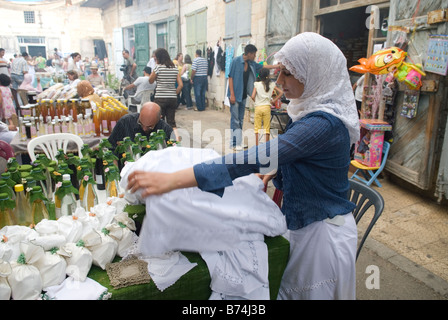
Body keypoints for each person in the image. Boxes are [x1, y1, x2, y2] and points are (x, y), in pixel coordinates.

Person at [126, 32, 360, 300]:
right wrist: (275, 172)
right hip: (305, 226)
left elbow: (256, 157)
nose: (279, 81)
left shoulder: (323, 124)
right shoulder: (308, 111)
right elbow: (299, 158)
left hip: (323, 238)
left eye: (287, 74)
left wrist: (173, 180)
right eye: (279, 72)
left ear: (314, 74)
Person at [227, 44, 277, 150]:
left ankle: (238, 143)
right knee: (235, 120)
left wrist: (277, 67)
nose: (254, 56)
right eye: (254, 54)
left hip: (243, 95)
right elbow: (230, 77)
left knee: (240, 119)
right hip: (235, 95)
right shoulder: (236, 61)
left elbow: (263, 66)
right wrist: (232, 94)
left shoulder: (251, 63)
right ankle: (233, 143)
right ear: (249, 53)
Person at [108, 101, 174, 152]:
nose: (144, 129)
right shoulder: (125, 122)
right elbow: (111, 146)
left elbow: (173, 154)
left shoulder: (166, 130)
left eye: (150, 127)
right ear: (139, 114)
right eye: (141, 124)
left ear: (159, 118)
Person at [149, 48, 182, 140]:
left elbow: (150, 80)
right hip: (172, 99)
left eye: (156, 58)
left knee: (159, 121)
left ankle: (162, 142)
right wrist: (174, 93)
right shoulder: (175, 68)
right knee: (172, 123)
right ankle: (177, 142)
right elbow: (180, 85)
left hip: (160, 98)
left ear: (159, 58)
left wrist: (155, 70)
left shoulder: (158, 67)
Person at [250, 68, 283, 146]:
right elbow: (281, 92)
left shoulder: (257, 84)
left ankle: (257, 146)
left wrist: (257, 102)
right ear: (268, 75)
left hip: (258, 107)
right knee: (266, 128)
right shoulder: (271, 84)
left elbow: (252, 96)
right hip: (267, 108)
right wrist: (273, 100)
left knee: (257, 128)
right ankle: (266, 146)